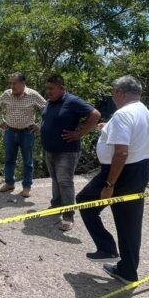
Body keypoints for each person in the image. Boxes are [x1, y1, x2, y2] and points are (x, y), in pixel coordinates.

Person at [73, 76, 149, 284]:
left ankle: (107, 248)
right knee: (130, 223)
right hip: (139, 170)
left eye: (113, 93)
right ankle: (128, 271)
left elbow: (121, 153)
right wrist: (108, 128)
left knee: (85, 201)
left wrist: (109, 184)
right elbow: (131, 138)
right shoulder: (144, 112)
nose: (113, 97)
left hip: (119, 172)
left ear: (120, 93)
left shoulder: (123, 114)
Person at [40, 75, 100, 227]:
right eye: (47, 88)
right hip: (50, 150)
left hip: (67, 151)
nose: (48, 91)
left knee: (65, 182)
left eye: (51, 88)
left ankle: (68, 215)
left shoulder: (72, 101)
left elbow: (95, 114)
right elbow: (49, 120)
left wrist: (80, 133)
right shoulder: (50, 103)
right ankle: (56, 205)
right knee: (55, 180)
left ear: (62, 88)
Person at [0, 72, 47, 197]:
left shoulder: (33, 95)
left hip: (27, 133)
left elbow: (47, 109)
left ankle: (27, 187)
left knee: (27, 161)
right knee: (9, 159)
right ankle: (9, 183)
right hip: (10, 132)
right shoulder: (7, 94)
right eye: (11, 83)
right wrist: (1, 121)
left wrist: (40, 125)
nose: (12, 86)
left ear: (23, 83)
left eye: (15, 83)